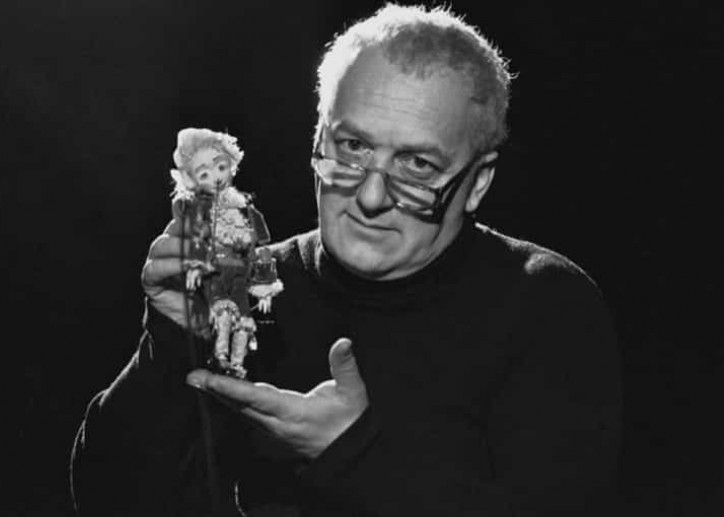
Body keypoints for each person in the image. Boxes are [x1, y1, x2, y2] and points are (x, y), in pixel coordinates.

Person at [70, 4, 621, 516]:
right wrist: (168, 342)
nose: (371, 197)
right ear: (318, 138)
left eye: (418, 166)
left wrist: (351, 455)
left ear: (477, 183)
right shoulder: (246, 289)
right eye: (353, 148)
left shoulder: (545, 305)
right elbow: (107, 501)